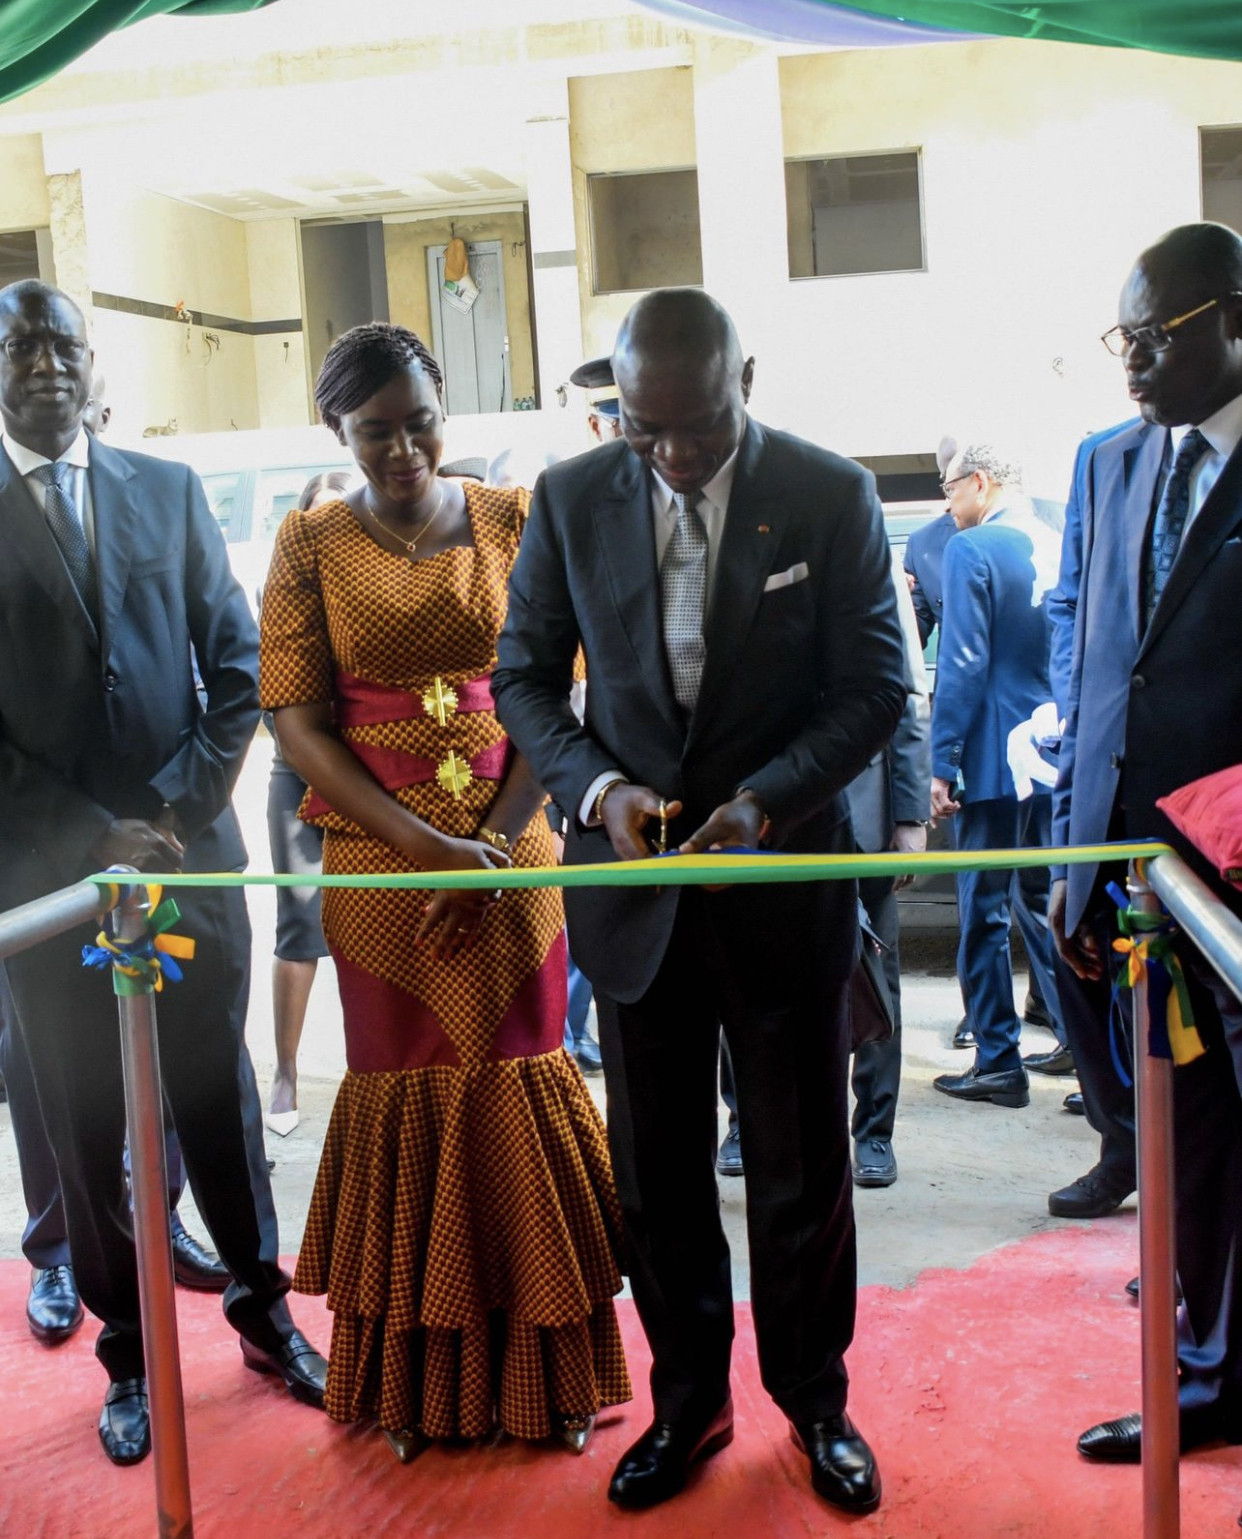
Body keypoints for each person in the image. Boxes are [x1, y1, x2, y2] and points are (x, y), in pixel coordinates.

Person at [494, 287, 906, 1514]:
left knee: (798, 1174)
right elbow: (523, 679)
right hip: (634, 902)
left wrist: (769, 801)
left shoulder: (832, 496)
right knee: (657, 1180)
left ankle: (816, 1401)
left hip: (777, 891)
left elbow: (875, 683)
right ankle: (689, 1403)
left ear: (747, 380)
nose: (673, 454)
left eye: (699, 426)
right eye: (644, 428)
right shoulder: (571, 499)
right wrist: (594, 786)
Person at [259, 321, 629, 1463]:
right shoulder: (310, 540)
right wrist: (421, 844)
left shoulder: (512, 518)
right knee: (408, 1092)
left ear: (444, 411)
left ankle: (551, 1379)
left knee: (516, 1084)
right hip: (380, 866)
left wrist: (498, 837)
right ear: (340, 432)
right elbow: (296, 719)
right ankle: (417, 1391)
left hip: (514, 854)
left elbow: (554, 691)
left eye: (420, 421)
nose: (403, 448)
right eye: (375, 431)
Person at [0, 281, 326, 1467]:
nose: (44, 364)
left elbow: (235, 669)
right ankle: (129, 1360)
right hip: (46, 880)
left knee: (217, 1105)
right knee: (87, 1127)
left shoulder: (168, 492)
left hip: (191, 863)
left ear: (94, 368)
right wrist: (94, 836)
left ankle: (263, 1312)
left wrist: (175, 815)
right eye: (20, 343)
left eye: (63, 346)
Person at [1049, 223, 1242, 1471]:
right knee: (1183, 1119)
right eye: (1120, 339)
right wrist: (1077, 851)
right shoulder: (1110, 463)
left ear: (1230, 320)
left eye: (1151, 339)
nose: (1129, 367)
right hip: (1134, 861)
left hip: (1238, 862)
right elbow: (1092, 651)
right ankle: (1208, 1365)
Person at [929, 444, 1066, 1110]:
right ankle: (1085, 1043)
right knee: (1049, 905)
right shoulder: (1055, 535)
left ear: (981, 482)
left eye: (949, 489)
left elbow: (960, 662)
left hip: (992, 755)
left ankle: (997, 1059)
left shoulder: (972, 550)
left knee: (982, 911)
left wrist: (940, 760)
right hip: (1055, 750)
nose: (947, 504)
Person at [1043, 419, 1142, 1207]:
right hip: (1102, 770)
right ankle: (1127, 1144)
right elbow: (1074, 609)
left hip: (1212, 786)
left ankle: (1197, 1229)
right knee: (1081, 964)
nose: (1139, 355)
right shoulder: (1105, 456)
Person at [264, 468, 354, 1136]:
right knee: (300, 926)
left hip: (378, 781)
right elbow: (276, 711)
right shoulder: (282, 593)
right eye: (319, 516)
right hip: (298, 778)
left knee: (375, 925)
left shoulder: (378, 590)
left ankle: (371, 1059)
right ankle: (287, 1070)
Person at [849, 556, 931, 1187]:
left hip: (863, 821)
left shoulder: (868, 563)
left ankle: (875, 1133)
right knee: (750, 978)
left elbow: (908, 700)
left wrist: (909, 816)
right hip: (766, 823)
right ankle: (745, 1122)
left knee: (876, 978)